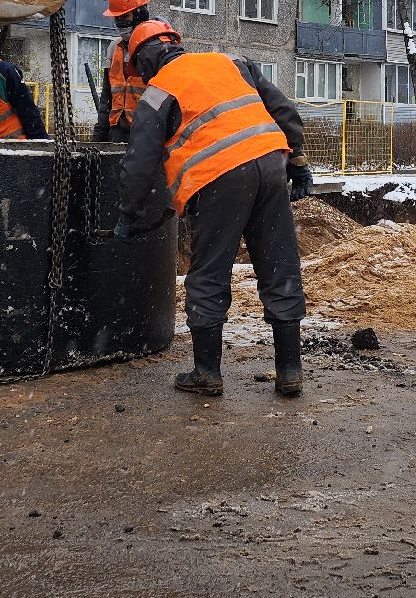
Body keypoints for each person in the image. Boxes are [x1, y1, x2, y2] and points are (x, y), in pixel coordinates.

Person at [115, 29, 315, 397]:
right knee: (279, 264)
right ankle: (289, 371)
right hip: (270, 164)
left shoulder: (158, 92)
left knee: (209, 272)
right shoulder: (230, 63)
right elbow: (282, 108)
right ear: (174, 44)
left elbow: (139, 164)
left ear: (144, 61)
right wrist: (298, 160)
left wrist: (130, 214)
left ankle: (207, 373)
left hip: (219, 178)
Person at [92, 0, 179, 144]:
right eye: (117, 18)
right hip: (117, 133)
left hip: (148, 134)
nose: (119, 23)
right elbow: (106, 100)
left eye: (124, 16)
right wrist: (98, 139)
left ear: (140, 14)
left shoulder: (157, 50)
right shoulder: (114, 48)